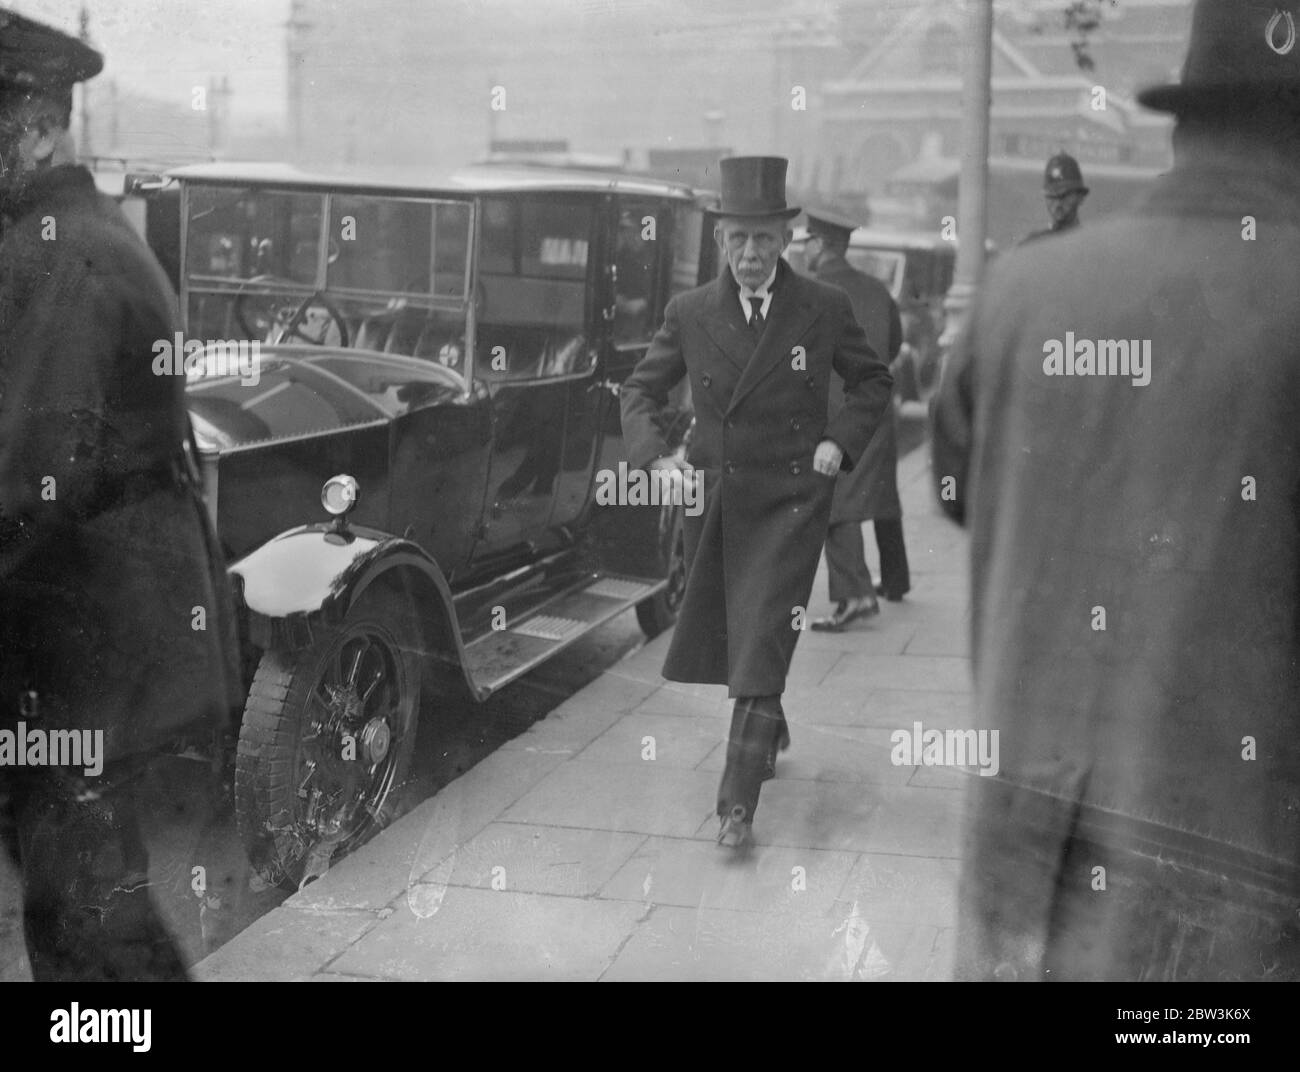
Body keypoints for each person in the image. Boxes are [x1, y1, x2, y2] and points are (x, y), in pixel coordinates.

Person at [932, 0, 1300, 981]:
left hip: (1023, 882)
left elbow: (962, 496)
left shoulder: (1019, 292)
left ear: (1184, 119)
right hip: (1231, 917)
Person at [0, 12, 241, 980]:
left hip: (97, 660)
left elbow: (26, 474)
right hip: (101, 648)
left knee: (87, 925)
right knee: (80, 907)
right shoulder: (65, 236)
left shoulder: (59, 253)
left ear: (37, 126)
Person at [621, 156, 892, 848]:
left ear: (786, 241)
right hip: (715, 501)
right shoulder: (689, 313)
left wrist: (839, 442)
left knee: (764, 632)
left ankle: (735, 807)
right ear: (720, 240)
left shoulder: (822, 309)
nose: (750, 254)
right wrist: (659, 456)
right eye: (738, 239)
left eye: (763, 241)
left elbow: (871, 383)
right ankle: (769, 726)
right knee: (745, 643)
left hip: (794, 501)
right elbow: (639, 391)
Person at [799, 209, 908, 631]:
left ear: (822, 244)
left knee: (834, 504)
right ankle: (886, 582)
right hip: (876, 411)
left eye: (807, 240)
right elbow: (895, 343)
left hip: (834, 416)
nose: (803, 247)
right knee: (871, 497)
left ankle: (855, 597)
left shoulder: (812, 293)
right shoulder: (877, 290)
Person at [1020, 152, 1088, 245]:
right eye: (1052, 196)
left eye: (1064, 196)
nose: (1058, 203)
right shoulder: (1031, 244)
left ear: (1080, 197)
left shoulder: (1091, 244)